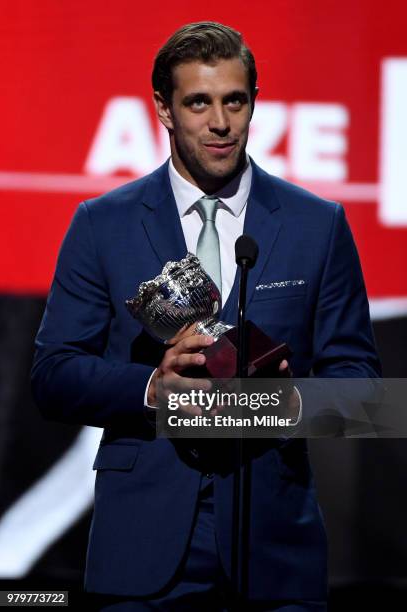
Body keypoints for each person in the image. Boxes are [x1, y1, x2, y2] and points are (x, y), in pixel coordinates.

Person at [31, 21, 381, 611]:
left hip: (273, 551)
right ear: (164, 110)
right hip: (142, 546)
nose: (220, 122)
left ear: (253, 105)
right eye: (198, 102)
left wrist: (290, 403)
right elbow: (54, 375)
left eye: (234, 101)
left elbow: (368, 395)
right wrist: (153, 388)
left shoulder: (316, 226)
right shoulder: (103, 224)